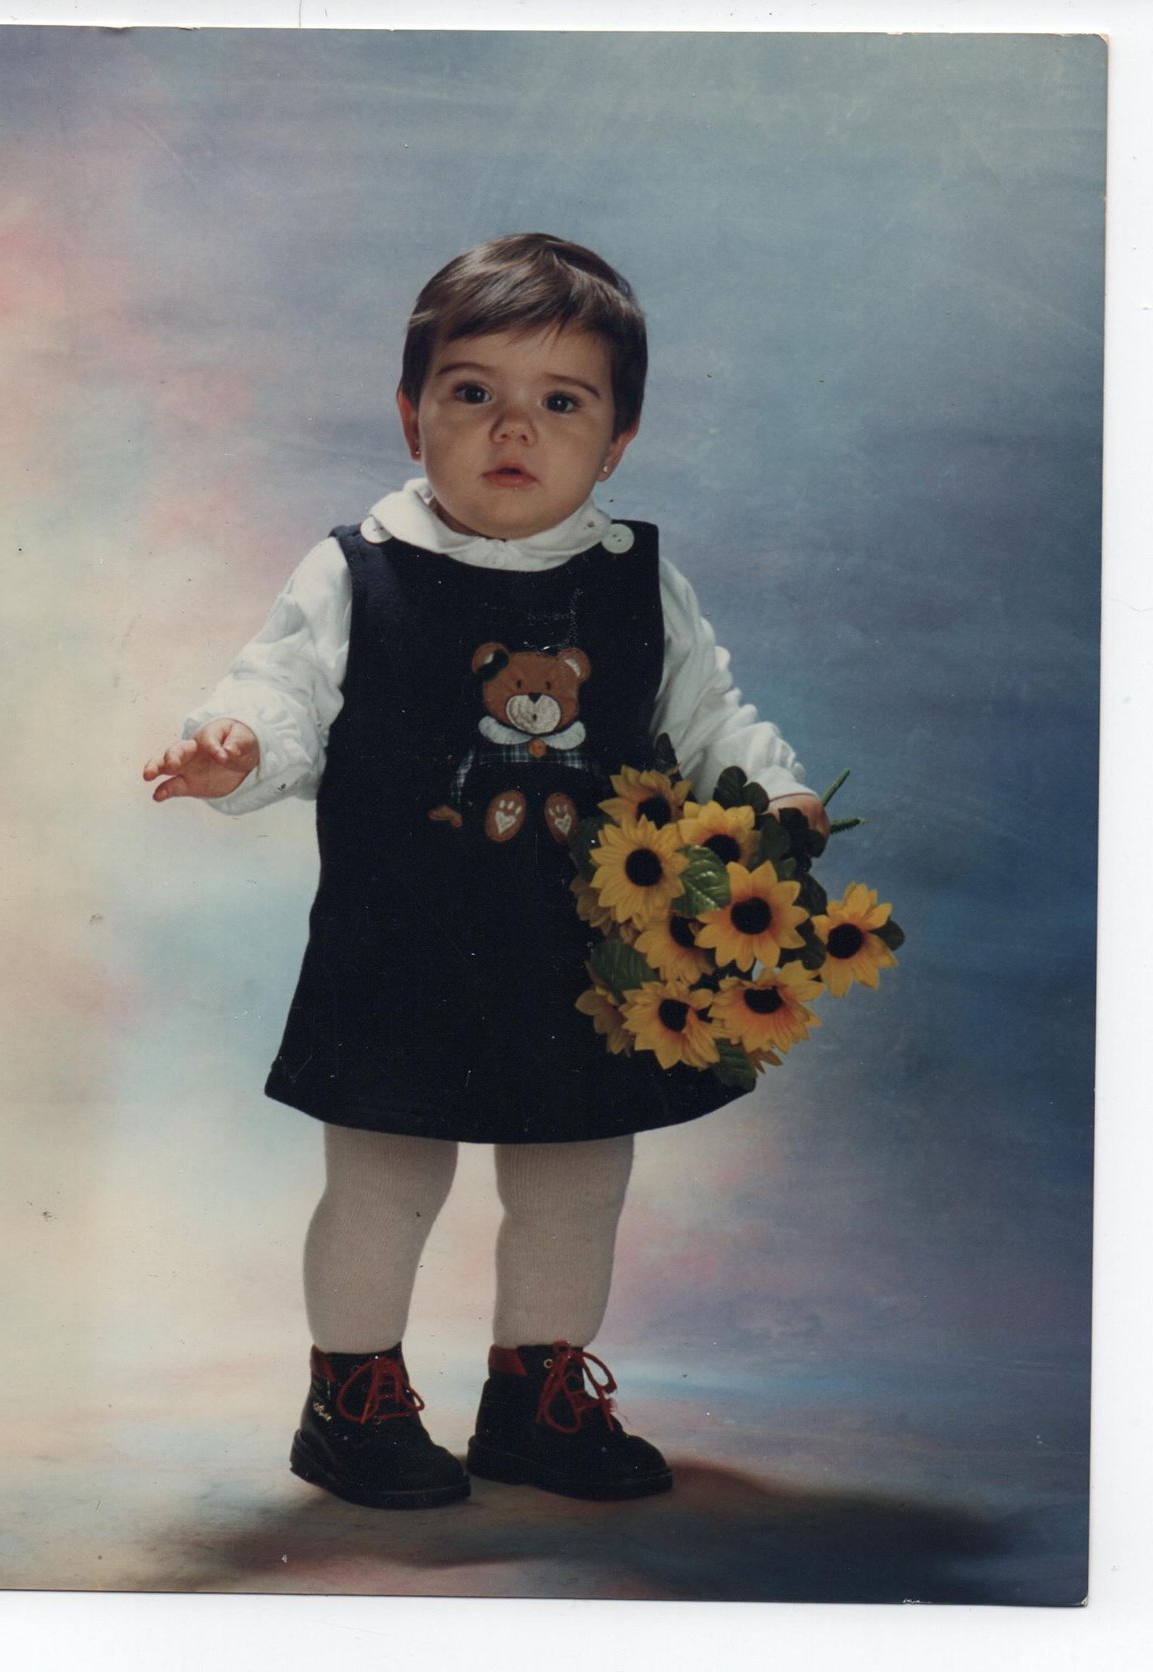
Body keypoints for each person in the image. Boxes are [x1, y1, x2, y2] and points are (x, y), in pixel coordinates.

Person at [143, 234, 828, 1511]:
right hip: (397, 949)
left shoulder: (635, 582)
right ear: (412, 416)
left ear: (615, 441)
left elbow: (706, 717)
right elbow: (278, 693)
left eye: (560, 401)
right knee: (384, 1184)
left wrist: (770, 792)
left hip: (585, 961)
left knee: (574, 1187)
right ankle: (351, 1399)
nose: (514, 428)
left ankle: (536, 1398)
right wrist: (235, 748)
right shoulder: (356, 569)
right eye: (472, 392)